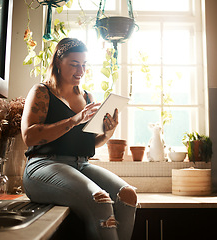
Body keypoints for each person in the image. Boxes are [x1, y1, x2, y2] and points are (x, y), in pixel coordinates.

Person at [21, 38, 137, 240]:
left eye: (83, 65)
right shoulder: (42, 92)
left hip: (81, 165)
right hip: (42, 166)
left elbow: (88, 144)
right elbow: (29, 136)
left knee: (127, 196)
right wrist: (74, 120)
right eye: (74, 64)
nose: (80, 71)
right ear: (58, 62)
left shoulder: (87, 97)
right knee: (100, 200)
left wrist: (108, 133)